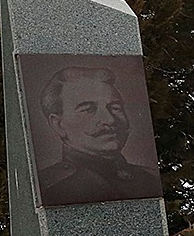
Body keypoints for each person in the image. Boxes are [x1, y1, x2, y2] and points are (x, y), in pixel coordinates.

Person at [36, 65, 162, 207]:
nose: (110, 120)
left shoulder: (151, 179)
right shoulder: (46, 187)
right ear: (58, 124)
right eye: (88, 109)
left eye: (116, 108)